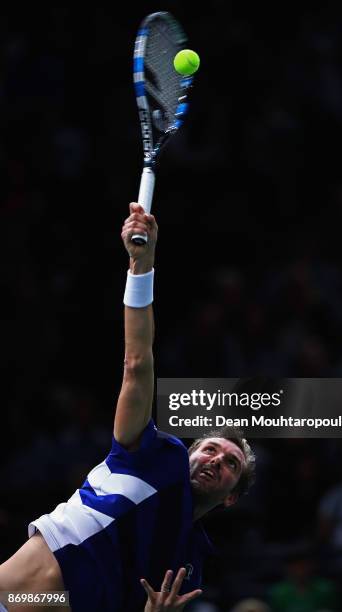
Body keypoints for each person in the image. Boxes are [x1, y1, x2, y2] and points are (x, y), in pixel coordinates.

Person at [0, 203, 256, 612]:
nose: (216, 460)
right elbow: (137, 363)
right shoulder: (153, 457)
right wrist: (142, 264)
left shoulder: (188, 567)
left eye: (231, 464)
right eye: (211, 448)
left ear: (231, 497)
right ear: (189, 452)